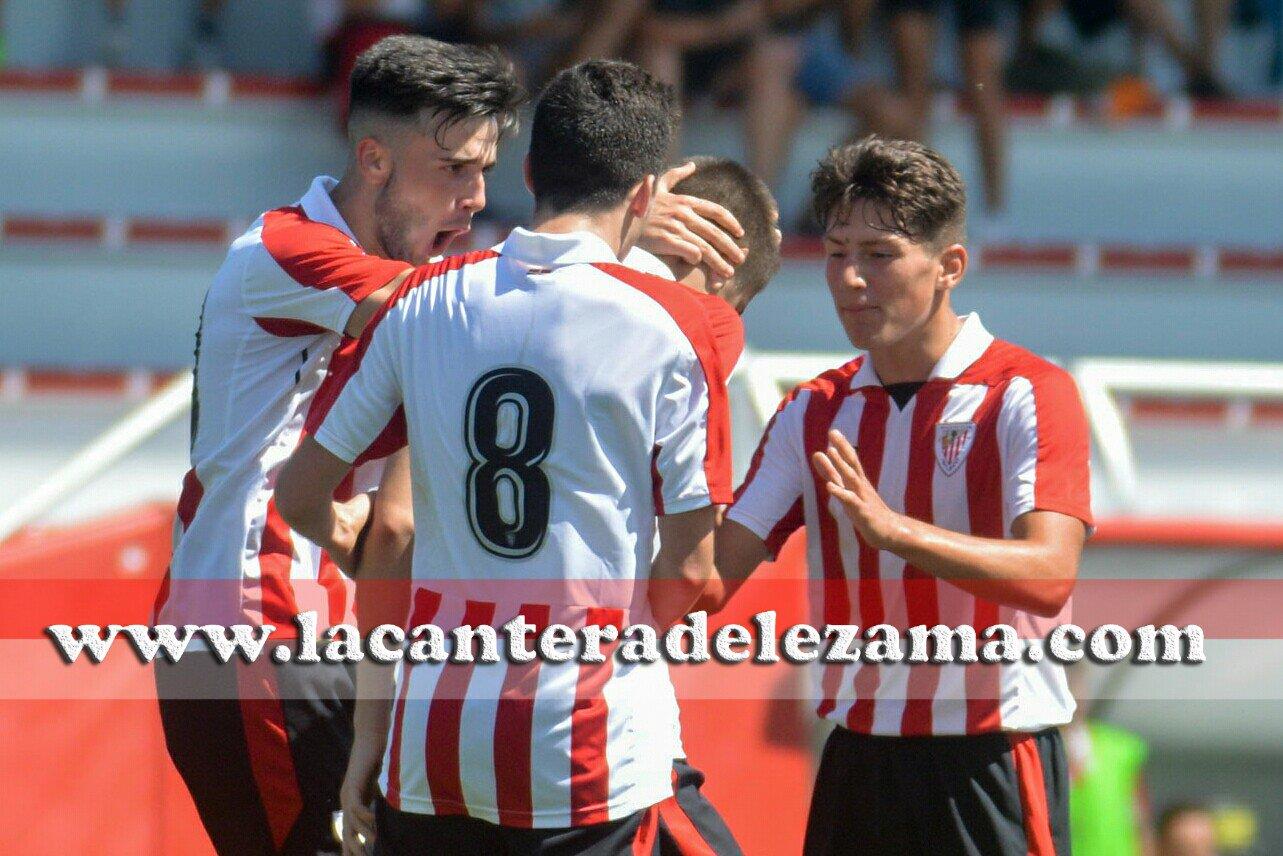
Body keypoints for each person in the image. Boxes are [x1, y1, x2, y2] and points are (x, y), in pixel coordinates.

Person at [277, 59, 745, 854]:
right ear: (643, 194)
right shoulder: (680, 323)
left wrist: (362, 551)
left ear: (527, 172)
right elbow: (693, 573)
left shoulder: (421, 300)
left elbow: (300, 496)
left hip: (434, 740)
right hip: (583, 745)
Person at [152, 36, 525, 856]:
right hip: (255, 636)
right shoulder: (286, 251)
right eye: (456, 169)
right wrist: (599, 235)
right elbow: (462, 310)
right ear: (374, 159)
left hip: (322, 639)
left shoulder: (404, 276)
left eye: (487, 170)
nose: (475, 196)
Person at [708, 136, 1093, 854]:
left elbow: (1048, 574)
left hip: (990, 756)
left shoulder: (1027, 392)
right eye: (834, 253)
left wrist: (894, 532)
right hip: (859, 757)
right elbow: (701, 582)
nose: (851, 278)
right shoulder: (811, 411)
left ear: (949, 266)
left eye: (878, 255)